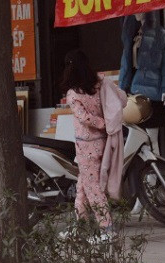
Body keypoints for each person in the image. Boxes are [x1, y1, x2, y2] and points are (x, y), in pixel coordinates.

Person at [61, 49, 112, 230]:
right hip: (103, 141)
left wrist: (102, 123)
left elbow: (84, 118)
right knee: (83, 184)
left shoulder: (73, 94)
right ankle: (80, 224)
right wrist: (107, 125)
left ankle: (106, 226)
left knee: (92, 187)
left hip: (85, 145)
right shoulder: (98, 85)